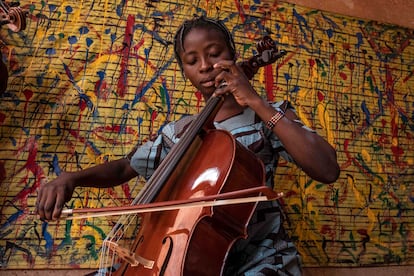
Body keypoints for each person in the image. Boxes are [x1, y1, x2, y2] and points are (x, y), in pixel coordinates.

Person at [36, 16, 340, 275]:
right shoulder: (178, 133)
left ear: (231, 54)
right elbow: (125, 167)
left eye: (214, 53)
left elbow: (327, 169)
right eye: (192, 61)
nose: (206, 66)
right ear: (185, 71)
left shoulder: (269, 115)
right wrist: (70, 179)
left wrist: (256, 103)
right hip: (185, 255)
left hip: (261, 257)